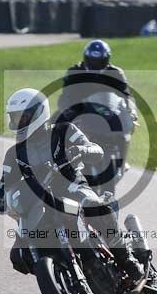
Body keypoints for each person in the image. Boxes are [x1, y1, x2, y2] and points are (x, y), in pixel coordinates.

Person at [0, 87, 144, 280]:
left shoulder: (63, 130)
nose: (17, 122)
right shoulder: (14, 154)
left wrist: (82, 150)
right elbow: (4, 184)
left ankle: (126, 258)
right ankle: (61, 275)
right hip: (41, 204)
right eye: (14, 117)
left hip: (73, 188)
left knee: (94, 207)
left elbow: (95, 149)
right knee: (19, 255)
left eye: (22, 117)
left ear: (38, 113)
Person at [57, 40, 137, 194]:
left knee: (124, 134)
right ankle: (63, 166)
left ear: (106, 60)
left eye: (99, 61)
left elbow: (127, 96)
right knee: (63, 132)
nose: (95, 64)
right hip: (81, 113)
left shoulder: (115, 72)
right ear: (86, 58)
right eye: (92, 61)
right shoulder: (75, 71)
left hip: (108, 113)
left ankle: (121, 163)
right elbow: (66, 96)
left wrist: (132, 113)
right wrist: (68, 110)